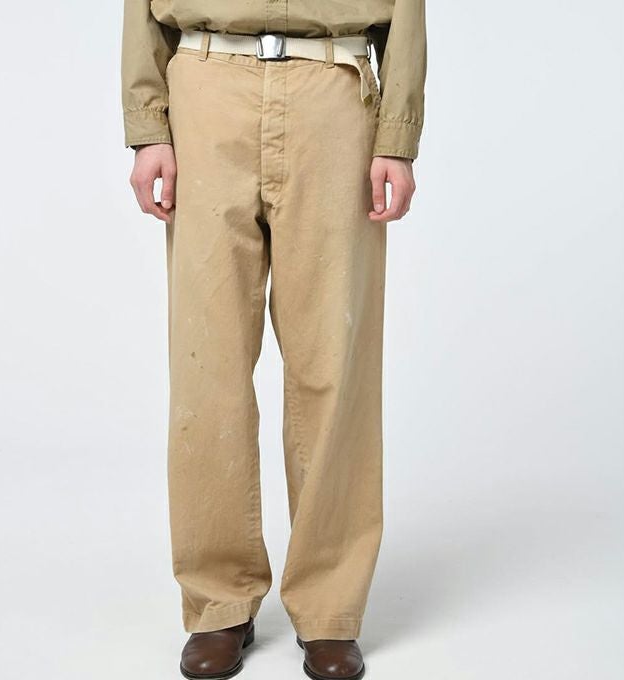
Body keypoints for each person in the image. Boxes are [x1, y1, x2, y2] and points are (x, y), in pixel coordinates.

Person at [121, 2, 426, 678]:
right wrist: (148, 125)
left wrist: (396, 136)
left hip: (335, 94)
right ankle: (218, 603)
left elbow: (406, 10)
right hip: (205, 90)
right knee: (207, 363)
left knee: (333, 365)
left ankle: (330, 608)